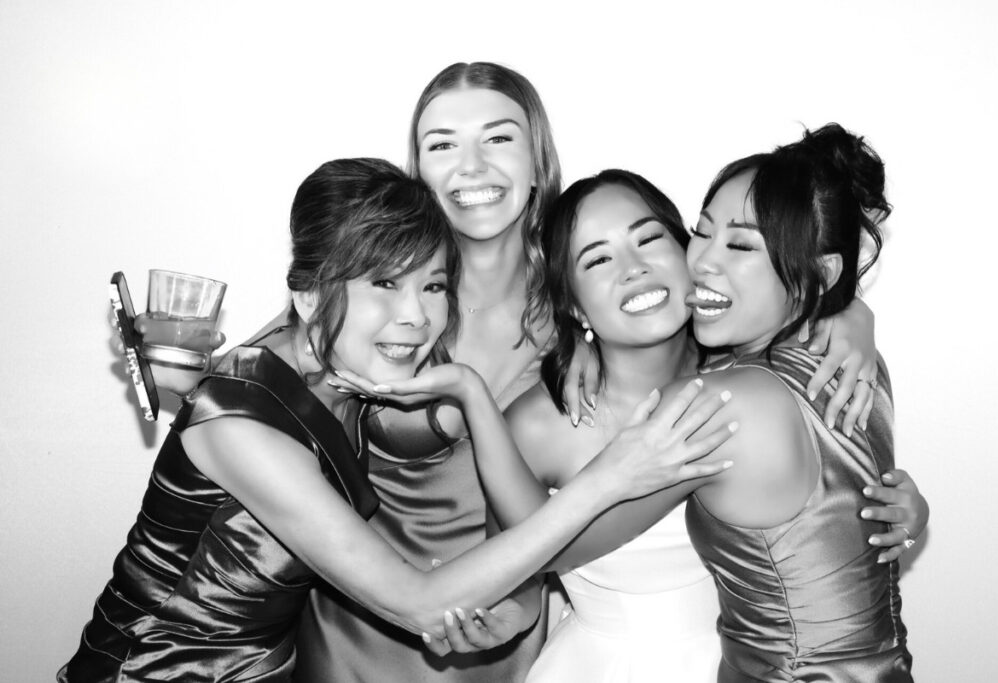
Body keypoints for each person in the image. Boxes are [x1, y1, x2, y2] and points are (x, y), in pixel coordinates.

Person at [127, 63, 903, 681]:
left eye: (498, 137)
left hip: (515, 634)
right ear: (418, 170)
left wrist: (839, 312)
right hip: (363, 628)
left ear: (538, 161)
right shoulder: (388, 305)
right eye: (441, 144)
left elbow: (728, 288)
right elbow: (273, 368)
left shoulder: (581, 302)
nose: (472, 165)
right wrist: (184, 379)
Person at [61, 158, 737, 683]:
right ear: (305, 293)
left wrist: (845, 315)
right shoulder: (237, 423)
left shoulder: (358, 379)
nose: (416, 315)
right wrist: (613, 473)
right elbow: (416, 600)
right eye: (385, 283)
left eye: (434, 285)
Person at [679, 124, 914, 680]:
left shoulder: (723, 402)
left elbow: (578, 534)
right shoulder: (857, 365)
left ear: (821, 271)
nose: (701, 261)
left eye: (739, 244)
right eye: (701, 232)